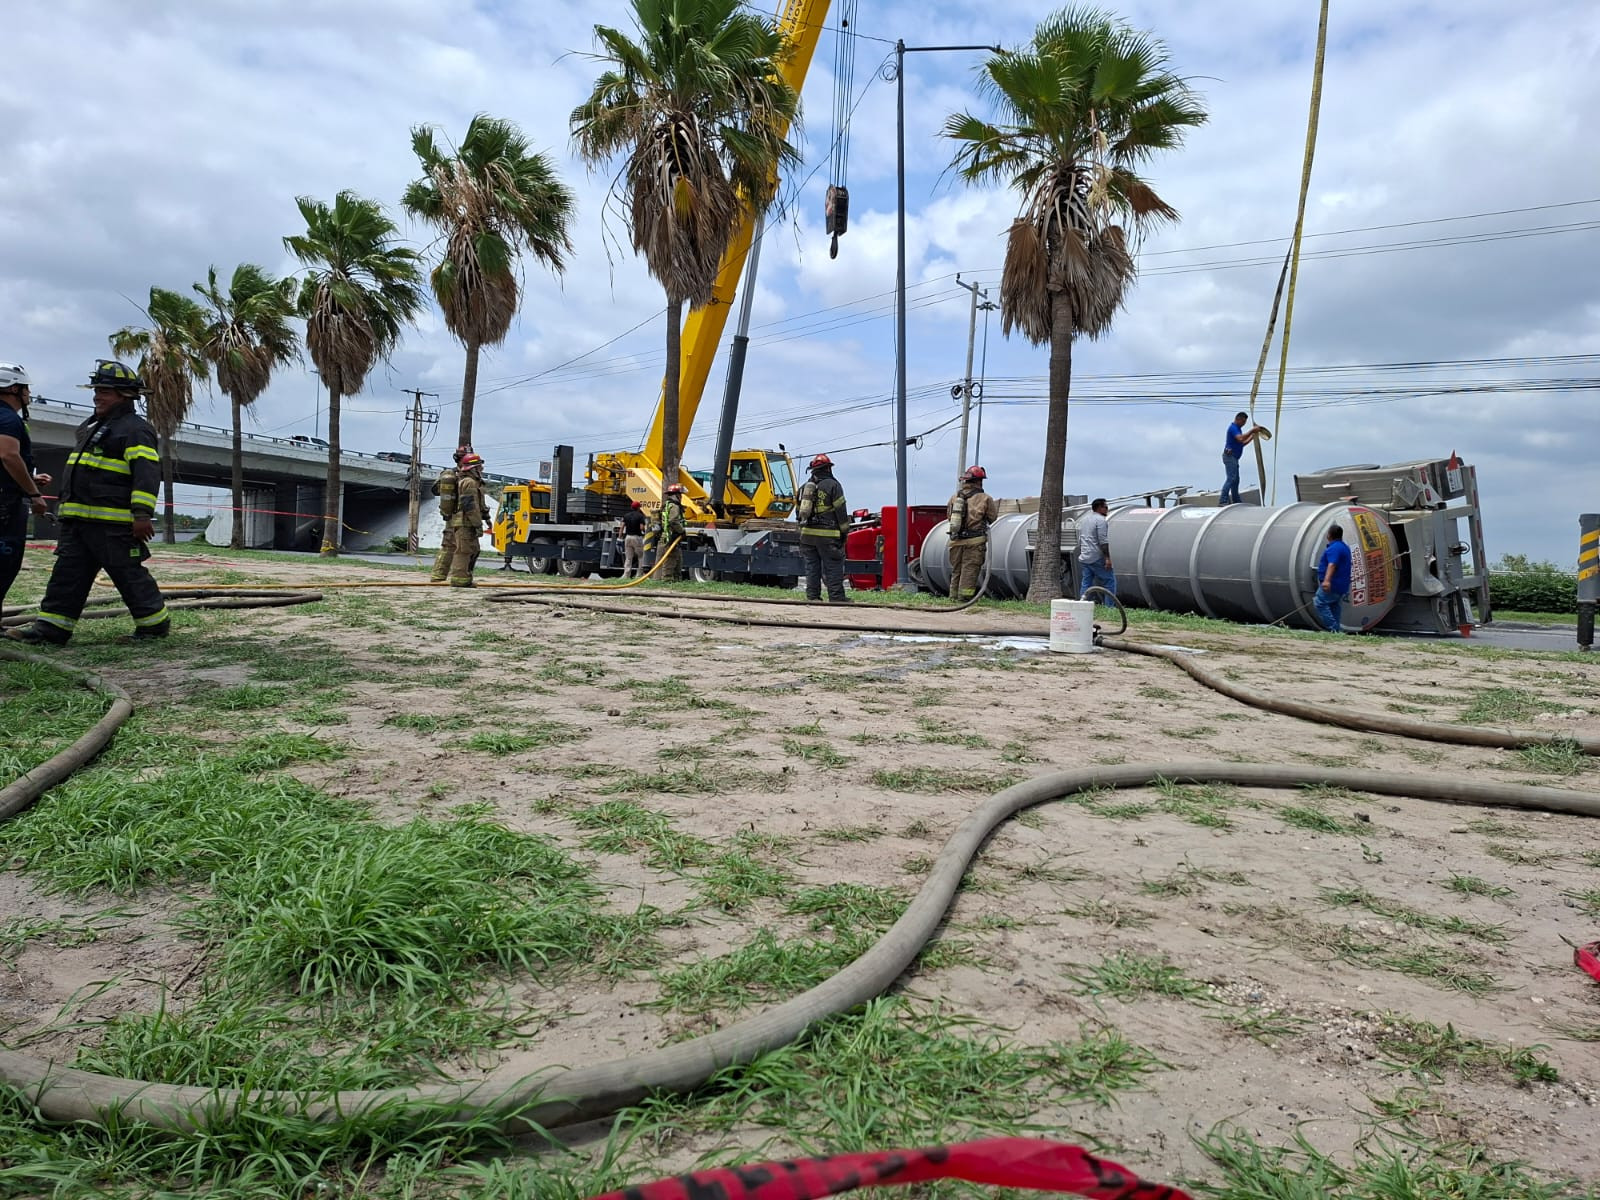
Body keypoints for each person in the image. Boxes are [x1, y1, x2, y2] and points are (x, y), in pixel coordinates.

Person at [6, 360, 169, 644]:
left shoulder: (135, 430)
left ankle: (154, 627)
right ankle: (51, 630)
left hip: (113, 525)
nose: (96, 397)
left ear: (125, 395)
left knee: (128, 575)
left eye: (104, 391)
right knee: (67, 575)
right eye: (96, 390)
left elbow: (146, 474)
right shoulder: (94, 427)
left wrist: (142, 515)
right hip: (78, 523)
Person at [0, 363, 51, 612]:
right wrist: (34, 493)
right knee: (4, 563)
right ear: (14, 388)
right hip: (5, 506)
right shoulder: (8, 419)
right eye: (26, 388)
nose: (29, 394)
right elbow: (8, 455)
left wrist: (29, 479)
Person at [795, 453, 848, 602]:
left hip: (807, 536)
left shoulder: (804, 488)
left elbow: (798, 513)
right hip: (828, 536)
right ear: (828, 468)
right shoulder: (833, 486)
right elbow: (841, 512)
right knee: (833, 566)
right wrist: (844, 532)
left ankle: (813, 597)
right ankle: (836, 597)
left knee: (812, 567)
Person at [945, 465, 999, 601]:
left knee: (957, 570)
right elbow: (992, 517)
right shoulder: (985, 498)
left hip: (955, 541)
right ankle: (965, 599)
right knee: (969, 570)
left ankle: (953, 597)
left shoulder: (954, 497)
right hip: (975, 543)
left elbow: (949, 517)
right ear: (979, 481)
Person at [429, 444, 473, 583]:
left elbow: (435, 490)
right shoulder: (464, 476)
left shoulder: (450, 474)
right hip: (462, 515)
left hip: (452, 515)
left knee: (449, 545)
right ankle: (460, 576)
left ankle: (439, 575)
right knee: (463, 547)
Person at [446, 452, 488, 588]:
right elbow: (470, 506)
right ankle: (459, 580)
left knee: (473, 549)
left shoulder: (472, 482)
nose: (482, 469)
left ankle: (465, 577)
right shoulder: (469, 483)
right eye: (479, 466)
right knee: (464, 551)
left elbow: (478, 504)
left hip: (468, 522)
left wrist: (486, 518)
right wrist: (477, 524)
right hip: (465, 523)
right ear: (473, 468)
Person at [1313, 523, 1352, 633]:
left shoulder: (1334, 548)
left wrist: (1326, 581)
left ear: (1329, 535)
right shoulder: (1344, 547)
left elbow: (1332, 564)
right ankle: (1336, 631)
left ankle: (1333, 628)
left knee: (1319, 602)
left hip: (1333, 584)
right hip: (1341, 584)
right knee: (1334, 606)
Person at [1220, 411, 1261, 505]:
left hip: (1234, 458)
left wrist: (1252, 437)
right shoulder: (1233, 428)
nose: (1243, 424)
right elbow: (1241, 438)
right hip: (1230, 457)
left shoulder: (1238, 429)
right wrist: (1252, 431)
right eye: (1243, 422)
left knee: (1236, 480)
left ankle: (1236, 500)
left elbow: (1242, 443)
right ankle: (1223, 500)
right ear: (1237, 419)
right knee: (1231, 478)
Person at [1077, 498, 1116, 598]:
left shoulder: (1084, 520)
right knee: (1109, 582)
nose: (1107, 509)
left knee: (1086, 584)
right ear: (1099, 508)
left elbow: (1081, 539)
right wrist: (1107, 558)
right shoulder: (1101, 520)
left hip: (1085, 557)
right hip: (1096, 557)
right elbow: (1103, 541)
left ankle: (1083, 604)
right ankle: (1109, 606)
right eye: (1105, 507)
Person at [619, 500, 647, 578]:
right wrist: (645, 532)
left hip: (628, 537)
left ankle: (626, 575)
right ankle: (639, 574)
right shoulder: (640, 516)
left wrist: (619, 537)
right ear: (638, 508)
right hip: (637, 537)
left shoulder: (626, 516)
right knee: (641, 556)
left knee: (628, 557)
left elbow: (622, 527)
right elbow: (641, 528)